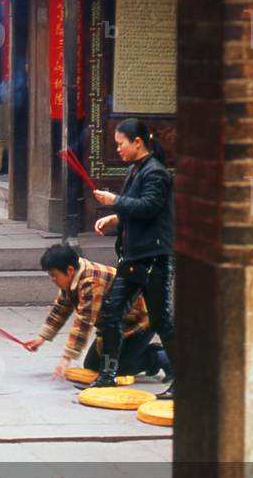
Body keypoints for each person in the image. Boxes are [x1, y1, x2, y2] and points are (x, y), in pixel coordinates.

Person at [89, 117, 175, 399]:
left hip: (154, 258)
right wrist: (115, 218)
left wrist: (114, 201)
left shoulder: (156, 172)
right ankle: (107, 375)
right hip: (134, 257)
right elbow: (135, 210)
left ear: (137, 142)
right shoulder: (135, 170)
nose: (118, 149)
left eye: (120, 144)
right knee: (111, 312)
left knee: (161, 320)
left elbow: (150, 207)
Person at [25, 243, 171, 382]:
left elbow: (84, 320)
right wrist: (42, 338)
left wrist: (66, 358)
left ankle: (159, 357)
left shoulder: (91, 281)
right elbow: (61, 308)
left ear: (69, 270)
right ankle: (136, 354)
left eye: (54, 275)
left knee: (116, 368)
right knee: (93, 366)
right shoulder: (73, 276)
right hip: (112, 328)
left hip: (139, 323)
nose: (53, 280)